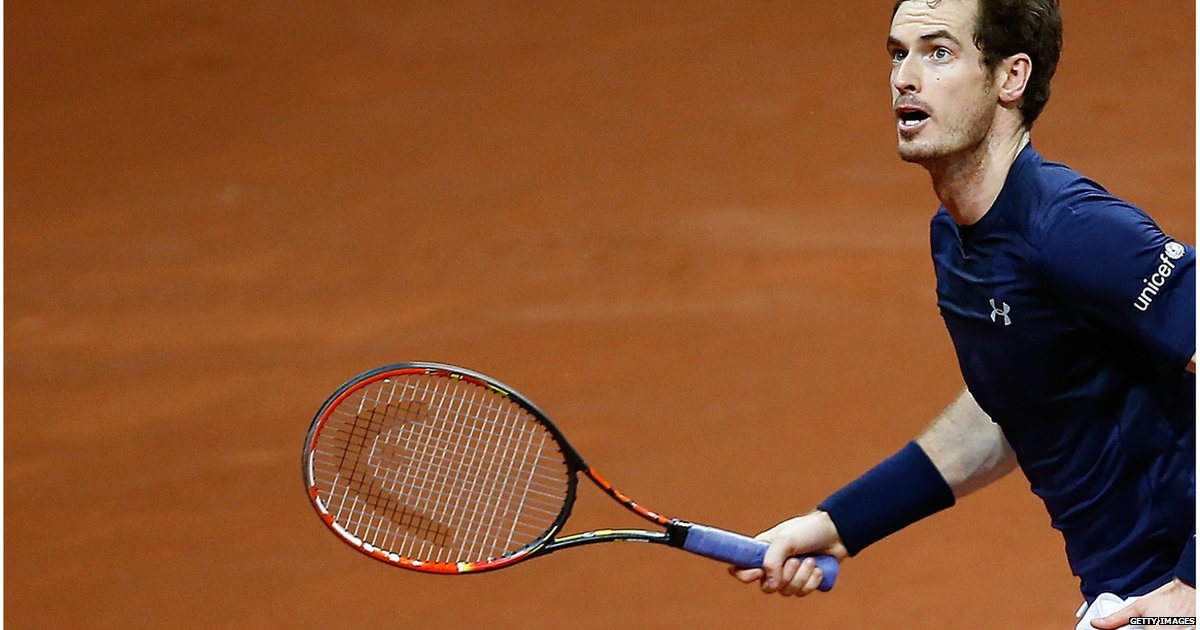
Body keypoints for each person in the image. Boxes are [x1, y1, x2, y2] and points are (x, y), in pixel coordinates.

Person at [728, 1, 1197, 628]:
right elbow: (1017, 401)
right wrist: (840, 524)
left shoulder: (1072, 229)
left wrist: (1193, 584)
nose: (905, 78)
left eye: (939, 52)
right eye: (899, 53)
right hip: (1129, 593)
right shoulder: (957, 240)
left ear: (1011, 77)